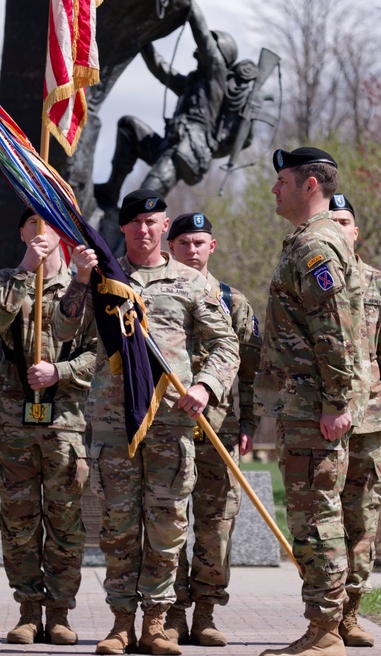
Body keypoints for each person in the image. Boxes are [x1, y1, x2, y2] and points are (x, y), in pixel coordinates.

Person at [56, 188, 240, 656]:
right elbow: (62, 331)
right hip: (114, 423)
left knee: (166, 524)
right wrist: (79, 279)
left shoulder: (192, 282)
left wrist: (205, 386)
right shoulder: (102, 277)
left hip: (171, 423)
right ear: (122, 229)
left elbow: (226, 345)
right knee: (118, 527)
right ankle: (120, 623)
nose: (144, 229)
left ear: (165, 225)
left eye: (153, 221)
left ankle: (157, 623)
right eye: (135, 222)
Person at [253, 148, 370, 656]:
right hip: (304, 402)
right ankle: (324, 626)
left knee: (316, 515)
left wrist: (335, 401)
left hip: (313, 406)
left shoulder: (317, 246)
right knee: (314, 513)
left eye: (282, 180)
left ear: (309, 186)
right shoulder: (307, 241)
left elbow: (335, 331)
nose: (274, 190)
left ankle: (325, 631)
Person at [0, 208, 98, 646]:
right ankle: (28, 610)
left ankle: (61, 612)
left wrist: (59, 373)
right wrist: (28, 269)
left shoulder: (86, 284)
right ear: (22, 232)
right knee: (18, 522)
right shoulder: (3, 280)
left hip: (63, 420)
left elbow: (96, 354)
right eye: (32, 223)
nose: (41, 230)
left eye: (49, 223)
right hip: (13, 420)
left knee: (66, 523)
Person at [163, 212, 261, 647]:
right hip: (169, 429)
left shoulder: (234, 303)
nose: (192, 250)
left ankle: (204, 613)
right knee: (167, 522)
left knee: (217, 524)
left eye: (199, 243)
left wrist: (250, 422)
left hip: (220, 431)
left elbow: (252, 369)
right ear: (171, 249)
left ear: (212, 247)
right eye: (183, 243)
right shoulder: (157, 297)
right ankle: (171, 613)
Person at [328, 193, 381, 647]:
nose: (338, 228)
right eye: (331, 220)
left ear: (356, 231)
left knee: (362, 518)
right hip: (321, 419)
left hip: (370, 420)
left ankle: (351, 614)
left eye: (345, 221)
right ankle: (321, 613)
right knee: (322, 520)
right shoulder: (313, 278)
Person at [95, 0, 253, 209]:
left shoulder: (217, 77)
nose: (201, 50)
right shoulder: (193, 83)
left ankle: (124, 236)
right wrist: (141, 39)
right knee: (129, 126)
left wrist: (188, 4)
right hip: (168, 145)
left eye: (210, 48)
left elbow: (203, 35)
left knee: (143, 201)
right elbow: (162, 70)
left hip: (186, 150)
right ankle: (111, 191)